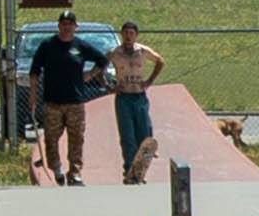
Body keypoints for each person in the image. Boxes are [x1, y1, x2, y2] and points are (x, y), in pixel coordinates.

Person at [26, 12, 106, 186]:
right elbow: (34, 71)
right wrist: (33, 94)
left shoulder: (81, 46)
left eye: (70, 23)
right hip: (52, 101)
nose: (66, 27)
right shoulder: (48, 45)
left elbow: (102, 60)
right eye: (63, 23)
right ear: (59, 26)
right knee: (51, 138)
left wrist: (91, 74)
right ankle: (57, 168)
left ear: (75, 27)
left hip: (75, 101)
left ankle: (75, 173)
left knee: (76, 137)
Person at [105, 21, 167, 183]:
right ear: (121, 34)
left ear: (136, 35)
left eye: (131, 33)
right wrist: (108, 86)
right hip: (123, 98)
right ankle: (129, 170)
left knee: (144, 134)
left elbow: (160, 61)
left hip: (139, 96)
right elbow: (99, 69)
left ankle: (140, 170)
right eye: (125, 33)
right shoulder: (114, 53)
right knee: (127, 136)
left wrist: (149, 81)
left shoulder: (142, 51)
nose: (128, 36)